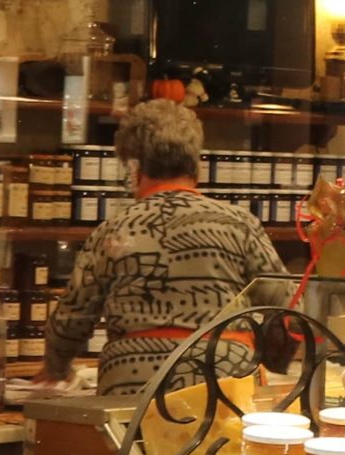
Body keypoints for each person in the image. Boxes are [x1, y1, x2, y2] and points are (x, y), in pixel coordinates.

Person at [44, 100, 291, 423]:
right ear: (197, 164)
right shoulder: (238, 224)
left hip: (131, 391)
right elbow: (285, 305)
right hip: (226, 384)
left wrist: (55, 367)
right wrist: (270, 360)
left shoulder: (113, 231)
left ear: (134, 169)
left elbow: (72, 319)